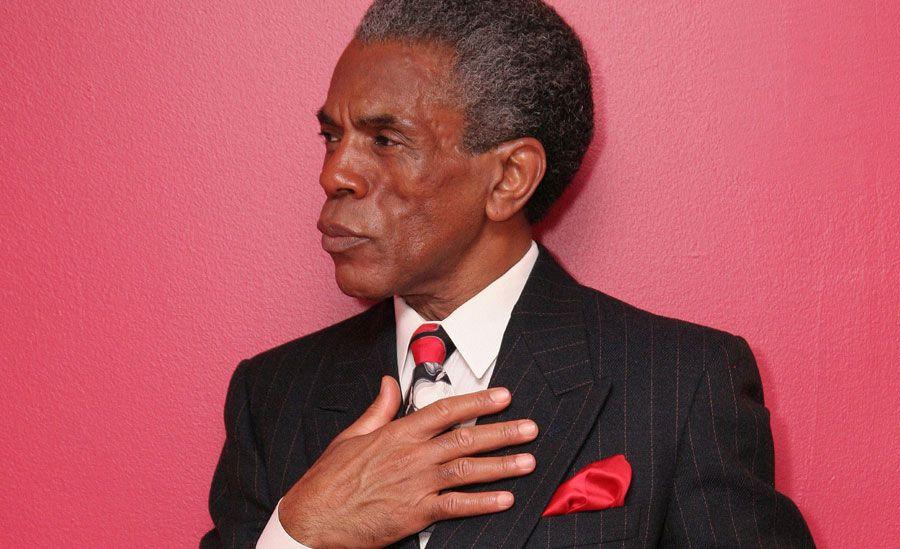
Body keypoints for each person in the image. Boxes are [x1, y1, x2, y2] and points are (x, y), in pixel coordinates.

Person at [201, 0, 814, 547]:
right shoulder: (271, 397)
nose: (335, 175)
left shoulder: (680, 386)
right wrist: (299, 534)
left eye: (385, 139)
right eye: (331, 137)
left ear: (509, 178)